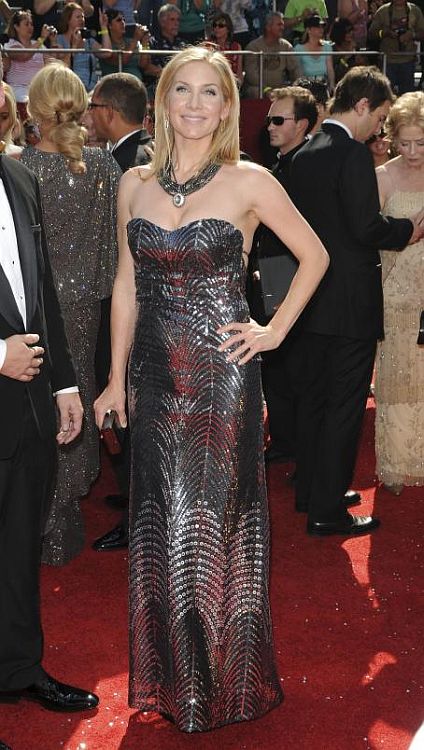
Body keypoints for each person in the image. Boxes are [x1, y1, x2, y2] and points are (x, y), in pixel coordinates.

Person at [94, 45, 329, 733]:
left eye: (209, 92)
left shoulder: (248, 180)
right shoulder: (133, 183)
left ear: (227, 107)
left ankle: (225, 682)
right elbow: (126, 284)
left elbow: (315, 255)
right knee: (159, 520)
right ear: (163, 101)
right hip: (153, 376)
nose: (194, 104)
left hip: (223, 377)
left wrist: (273, 331)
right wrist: (114, 379)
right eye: (182, 90)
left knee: (213, 523)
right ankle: (177, 680)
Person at [288, 65, 423, 536]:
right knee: (344, 407)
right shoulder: (351, 154)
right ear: (363, 105)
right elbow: (366, 227)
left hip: (310, 300)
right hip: (350, 304)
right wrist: (407, 230)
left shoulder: (304, 152)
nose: (379, 128)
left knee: (314, 400)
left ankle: (311, 490)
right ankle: (327, 511)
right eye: (380, 117)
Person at [0, 86, 99, 712]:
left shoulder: (19, 176)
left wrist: (64, 382)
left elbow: (42, 296)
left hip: (30, 405)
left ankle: (17, 668)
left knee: (18, 550)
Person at [21, 63, 121, 565]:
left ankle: (38, 516)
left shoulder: (19, 168)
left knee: (30, 399)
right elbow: (115, 246)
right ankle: (60, 518)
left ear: (33, 109)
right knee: (75, 390)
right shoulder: (103, 166)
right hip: (82, 305)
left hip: (28, 307)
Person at [89, 72, 152, 553]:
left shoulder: (136, 165)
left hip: (137, 309)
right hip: (125, 302)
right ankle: (134, 496)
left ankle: (139, 517)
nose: (89, 116)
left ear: (108, 111)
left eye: (92, 107)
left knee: (130, 411)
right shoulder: (130, 158)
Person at [248, 86, 318, 464]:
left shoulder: (309, 167)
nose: (270, 127)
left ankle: (301, 448)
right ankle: (285, 439)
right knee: (277, 368)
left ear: (302, 125)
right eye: (268, 120)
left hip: (295, 281)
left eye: (279, 120)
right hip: (269, 280)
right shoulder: (275, 168)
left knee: (298, 367)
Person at [374, 91, 424, 494]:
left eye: (420, 143)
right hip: (394, 293)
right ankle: (398, 463)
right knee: (398, 376)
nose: (411, 152)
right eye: (404, 143)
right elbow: (369, 237)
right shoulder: (383, 177)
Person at [3, 10, 58, 121]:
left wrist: (53, 41)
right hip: (18, 92)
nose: (30, 27)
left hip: (37, 92)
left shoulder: (37, 44)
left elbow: (52, 63)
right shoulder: (10, 44)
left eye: (31, 24)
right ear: (16, 27)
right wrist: (41, 39)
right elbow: (24, 56)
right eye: (26, 24)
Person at [368, 0, 424, 94]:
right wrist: (385, 33)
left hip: (408, 61)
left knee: (407, 96)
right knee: (385, 95)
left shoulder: (415, 10)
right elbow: (371, 34)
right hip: (387, 60)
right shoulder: (383, 11)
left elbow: (422, 33)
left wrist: (412, 35)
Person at [56, 3, 112, 92]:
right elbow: (63, 66)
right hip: (71, 89)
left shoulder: (89, 41)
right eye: (78, 17)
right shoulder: (59, 39)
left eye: (82, 17)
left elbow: (107, 53)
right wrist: (74, 46)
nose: (82, 20)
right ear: (68, 20)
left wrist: (104, 27)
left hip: (90, 90)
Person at [243, 12, 300, 98]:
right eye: (279, 25)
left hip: (280, 88)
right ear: (268, 27)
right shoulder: (253, 47)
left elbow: (295, 69)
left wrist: (299, 86)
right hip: (260, 88)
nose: (282, 28)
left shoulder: (286, 46)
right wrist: (267, 90)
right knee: (255, 91)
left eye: (282, 25)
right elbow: (252, 76)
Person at [99, 9, 152, 82]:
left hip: (136, 83)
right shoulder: (106, 45)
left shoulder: (129, 41)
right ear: (110, 25)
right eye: (119, 20)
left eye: (124, 20)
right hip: (115, 85)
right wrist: (136, 39)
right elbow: (122, 61)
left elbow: (143, 65)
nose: (123, 23)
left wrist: (144, 43)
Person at [294, 15, 335, 93]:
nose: (321, 29)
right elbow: (298, 72)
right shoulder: (298, 49)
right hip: (306, 88)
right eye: (317, 27)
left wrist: (332, 85)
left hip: (324, 86)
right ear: (308, 30)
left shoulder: (327, 47)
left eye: (322, 27)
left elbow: (330, 69)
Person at [209, 12, 243, 85]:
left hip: (231, 84)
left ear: (228, 29)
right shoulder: (207, 45)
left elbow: (239, 73)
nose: (216, 28)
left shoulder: (236, 46)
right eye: (215, 25)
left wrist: (237, 86)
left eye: (221, 26)